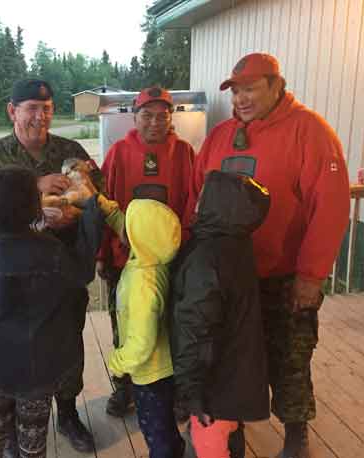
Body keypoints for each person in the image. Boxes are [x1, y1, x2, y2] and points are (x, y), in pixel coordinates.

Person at [183, 53, 350, 458]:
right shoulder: (221, 135)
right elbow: (196, 198)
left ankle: (297, 436)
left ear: (277, 86)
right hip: (228, 277)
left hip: (284, 275)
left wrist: (311, 275)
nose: (241, 98)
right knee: (230, 358)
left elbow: (330, 207)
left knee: (290, 357)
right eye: (236, 90)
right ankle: (230, 428)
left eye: (251, 88)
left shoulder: (310, 131)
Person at [0, 79, 104, 453]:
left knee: (67, 343)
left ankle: (68, 413)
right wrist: (35, 191)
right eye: (31, 108)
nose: (40, 116)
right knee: (16, 348)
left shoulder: (70, 150)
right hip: (13, 277)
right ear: (13, 111)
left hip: (62, 270)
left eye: (46, 108)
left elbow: (99, 196)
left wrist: (73, 214)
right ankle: (14, 425)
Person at [96, 87, 195, 417]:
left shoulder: (184, 152)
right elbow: (103, 202)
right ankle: (124, 386)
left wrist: (184, 249)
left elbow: (193, 203)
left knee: (173, 325)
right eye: (147, 115)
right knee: (123, 325)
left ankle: (177, 390)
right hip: (126, 261)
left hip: (173, 261)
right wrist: (103, 255)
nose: (155, 122)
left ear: (171, 118)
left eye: (162, 116)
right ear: (135, 117)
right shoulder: (119, 153)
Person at [172, 171, 271, 458]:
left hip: (214, 386)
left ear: (220, 205)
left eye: (204, 196)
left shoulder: (207, 259)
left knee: (210, 443)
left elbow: (196, 329)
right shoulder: (235, 242)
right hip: (235, 377)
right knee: (231, 432)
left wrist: (192, 391)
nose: (197, 202)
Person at [104, 197, 186, 458]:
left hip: (149, 374)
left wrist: (117, 362)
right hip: (164, 367)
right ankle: (176, 449)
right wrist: (104, 206)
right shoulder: (154, 259)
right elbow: (128, 227)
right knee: (164, 422)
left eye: (129, 227)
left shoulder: (143, 286)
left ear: (139, 237)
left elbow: (141, 344)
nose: (124, 231)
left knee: (154, 429)